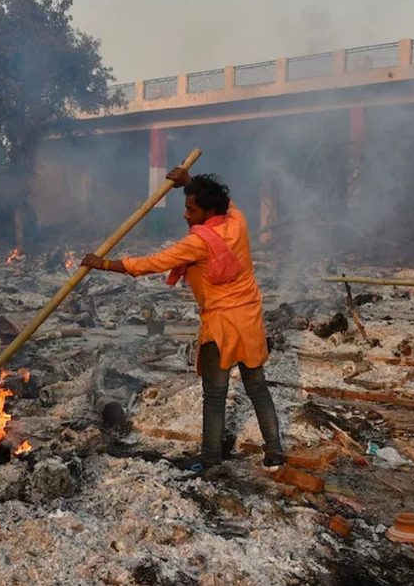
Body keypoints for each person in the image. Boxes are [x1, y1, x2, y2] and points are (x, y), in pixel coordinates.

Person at [81, 168, 284, 471]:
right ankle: (275, 452)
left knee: (215, 396)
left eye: (192, 209)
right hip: (250, 319)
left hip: (221, 325)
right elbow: (231, 204)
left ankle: (210, 457)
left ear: (209, 211)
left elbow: (154, 262)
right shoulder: (237, 222)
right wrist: (190, 184)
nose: (186, 215)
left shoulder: (199, 243)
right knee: (258, 388)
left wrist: (106, 264)